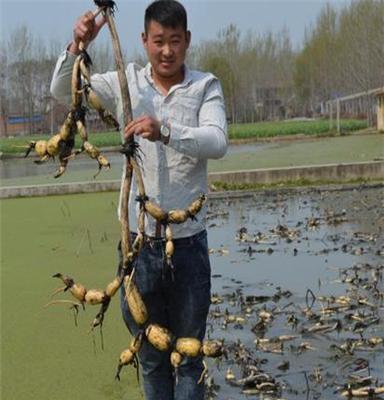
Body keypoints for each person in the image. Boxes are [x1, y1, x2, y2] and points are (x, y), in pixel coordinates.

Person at [50, 0, 228, 399]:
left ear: (188, 41)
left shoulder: (205, 86)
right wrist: (76, 47)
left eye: (175, 41)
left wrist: (164, 129)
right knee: (149, 355)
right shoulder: (126, 82)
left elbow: (217, 142)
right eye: (159, 41)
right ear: (144, 40)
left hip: (188, 244)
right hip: (138, 246)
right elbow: (64, 91)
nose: (167, 51)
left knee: (190, 357)